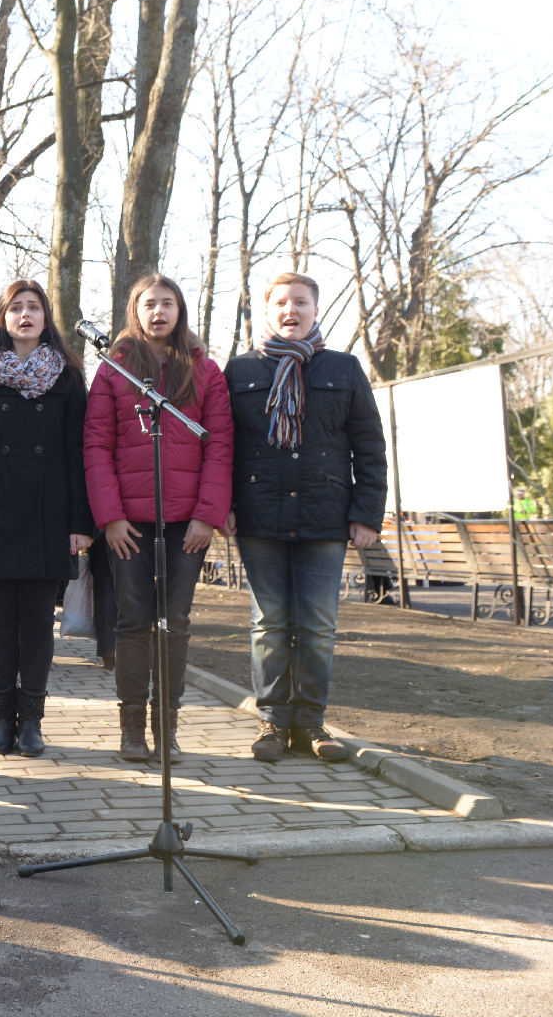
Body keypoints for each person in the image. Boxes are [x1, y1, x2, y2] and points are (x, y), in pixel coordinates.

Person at [223, 271, 387, 763]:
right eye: (280, 303)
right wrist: (224, 504)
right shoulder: (239, 371)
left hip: (326, 515)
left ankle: (312, 723)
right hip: (259, 514)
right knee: (269, 622)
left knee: (317, 624)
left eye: (300, 302)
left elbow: (370, 446)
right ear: (266, 311)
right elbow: (223, 447)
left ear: (316, 310)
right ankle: (273, 722)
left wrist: (366, 513)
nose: (290, 311)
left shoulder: (344, 368)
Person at [83, 274, 233, 764]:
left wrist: (207, 517)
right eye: (149, 304)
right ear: (136, 311)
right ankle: (131, 731)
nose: (158, 312)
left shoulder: (205, 370)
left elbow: (221, 447)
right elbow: (97, 448)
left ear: (180, 310)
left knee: (176, 622)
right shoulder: (113, 370)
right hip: (128, 525)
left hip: (187, 524)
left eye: (167, 303)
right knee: (133, 622)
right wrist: (110, 519)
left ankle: (166, 729)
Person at [0, 279, 94, 758]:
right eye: (17, 307)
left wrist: (80, 522)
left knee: (36, 623)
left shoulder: (69, 378)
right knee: (0, 622)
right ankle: (0, 722)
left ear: (46, 317)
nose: (26, 315)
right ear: (2, 318)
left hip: (48, 513)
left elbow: (79, 455)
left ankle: (31, 722)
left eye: (34, 307)